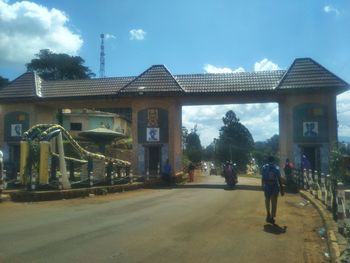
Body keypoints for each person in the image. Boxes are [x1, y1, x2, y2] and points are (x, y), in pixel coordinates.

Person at [261, 156, 284, 224]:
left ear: (268, 160)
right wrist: (282, 189)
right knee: (274, 202)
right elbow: (279, 179)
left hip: (267, 185)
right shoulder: (276, 167)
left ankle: (268, 213)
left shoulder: (264, 167)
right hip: (274, 185)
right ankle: (272, 216)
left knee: (267, 200)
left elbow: (262, 177)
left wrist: (262, 185)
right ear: (274, 161)